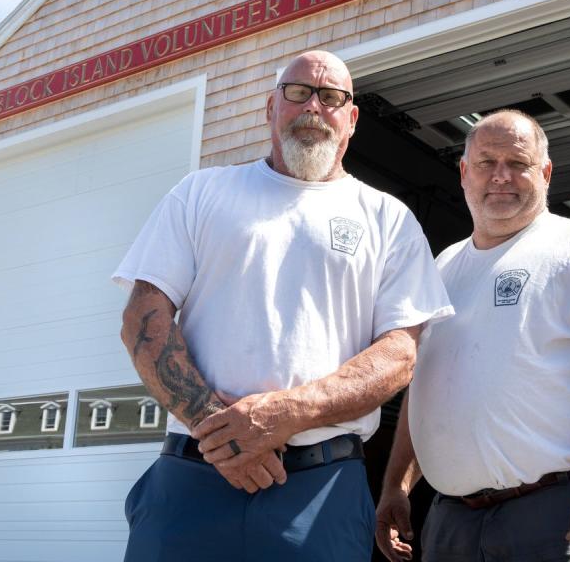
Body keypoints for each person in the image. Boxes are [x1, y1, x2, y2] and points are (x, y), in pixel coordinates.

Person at [113, 50, 452, 562]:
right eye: (297, 92)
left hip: (319, 488)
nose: (314, 106)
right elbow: (143, 317)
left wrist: (288, 414)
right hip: (194, 476)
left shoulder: (388, 218)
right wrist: (220, 430)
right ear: (270, 107)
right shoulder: (202, 192)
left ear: (352, 119)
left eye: (332, 97)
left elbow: (400, 354)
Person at [376, 110, 570, 562]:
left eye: (517, 163)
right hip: (450, 524)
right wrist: (396, 487)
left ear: (545, 172)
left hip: (557, 515)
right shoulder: (442, 267)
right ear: (464, 172)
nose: (501, 176)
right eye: (486, 163)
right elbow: (425, 391)